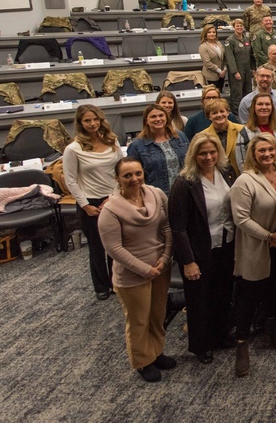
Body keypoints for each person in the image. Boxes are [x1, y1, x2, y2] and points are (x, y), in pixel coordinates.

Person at [98, 157, 174, 383]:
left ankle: (157, 352)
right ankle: (143, 361)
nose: (134, 179)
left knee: (157, 314)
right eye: (127, 175)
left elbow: (168, 226)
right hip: (132, 274)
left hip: (160, 266)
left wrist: (166, 258)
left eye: (138, 173)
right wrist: (144, 269)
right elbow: (114, 248)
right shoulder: (110, 210)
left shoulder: (157, 194)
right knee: (138, 320)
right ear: (118, 179)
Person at [168, 133, 237, 365]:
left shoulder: (226, 173)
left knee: (222, 295)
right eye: (203, 153)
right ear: (193, 155)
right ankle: (201, 345)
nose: (208, 157)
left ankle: (220, 335)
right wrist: (188, 261)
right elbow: (178, 227)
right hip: (199, 252)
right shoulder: (185, 182)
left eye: (212, 152)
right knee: (199, 301)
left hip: (226, 245)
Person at [231, 134, 276, 377]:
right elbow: (241, 219)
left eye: (271, 149)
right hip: (258, 245)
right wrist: (270, 236)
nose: (267, 154)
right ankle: (241, 344)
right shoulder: (244, 181)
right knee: (249, 295)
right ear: (253, 154)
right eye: (261, 151)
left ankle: (272, 327)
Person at [64, 105, 123, 300]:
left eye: (95, 119)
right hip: (90, 203)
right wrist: (85, 205)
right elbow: (70, 180)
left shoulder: (112, 141)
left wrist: (113, 197)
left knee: (116, 245)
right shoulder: (73, 149)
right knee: (97, 247)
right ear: (80, 123)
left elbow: (120, 171)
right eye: (87, 120)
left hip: (113, 198)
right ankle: (101, 286)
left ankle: (117, 282)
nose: (92, 123)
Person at [127, 105, 190, 194]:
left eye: (161, 115)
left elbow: (190, 163)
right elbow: (132, 174)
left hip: (184, 191)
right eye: (153, 117)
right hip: (156, 195)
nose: (158, 119)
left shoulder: (180, 137)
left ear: (166, 118)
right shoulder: (137, 145)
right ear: (146, 121)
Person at [236, 94, 276, 169]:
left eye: (267, 104)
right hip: (257, 176)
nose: (264, 107)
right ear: (254, 107)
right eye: (260, 104)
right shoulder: (244, 133)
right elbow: (242, 162)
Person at [201, 98, 244, 172]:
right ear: (209, 117)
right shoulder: (202, 136)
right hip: (216, 176)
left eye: (222, 111)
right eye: (214, 113)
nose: (219, 115)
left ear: (227, 112)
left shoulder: (242, 130)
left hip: (239, 176)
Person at [224, 19, 254, 114]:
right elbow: (230, 57)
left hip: (247, 69)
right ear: (234, 27)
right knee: (237, 92)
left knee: (248, 90)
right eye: (237, 26)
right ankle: (236, 113)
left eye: (241, 26)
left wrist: (253, 69)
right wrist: (235, 72)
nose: (240, 27)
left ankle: (247, 111)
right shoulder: (230, 41)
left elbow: (251, 55)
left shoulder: (247, 39)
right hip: (237, 70)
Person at [200, 25, 227, 91]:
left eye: (214, 32)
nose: (212, 34)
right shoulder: (203, 47)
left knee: (219, 95)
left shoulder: (219, 43)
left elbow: (224, 57)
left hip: (221, 75)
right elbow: (207, 63)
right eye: (209, 32)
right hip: (211, 77)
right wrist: (219, 71)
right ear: (205, 34)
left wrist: (225, 69)